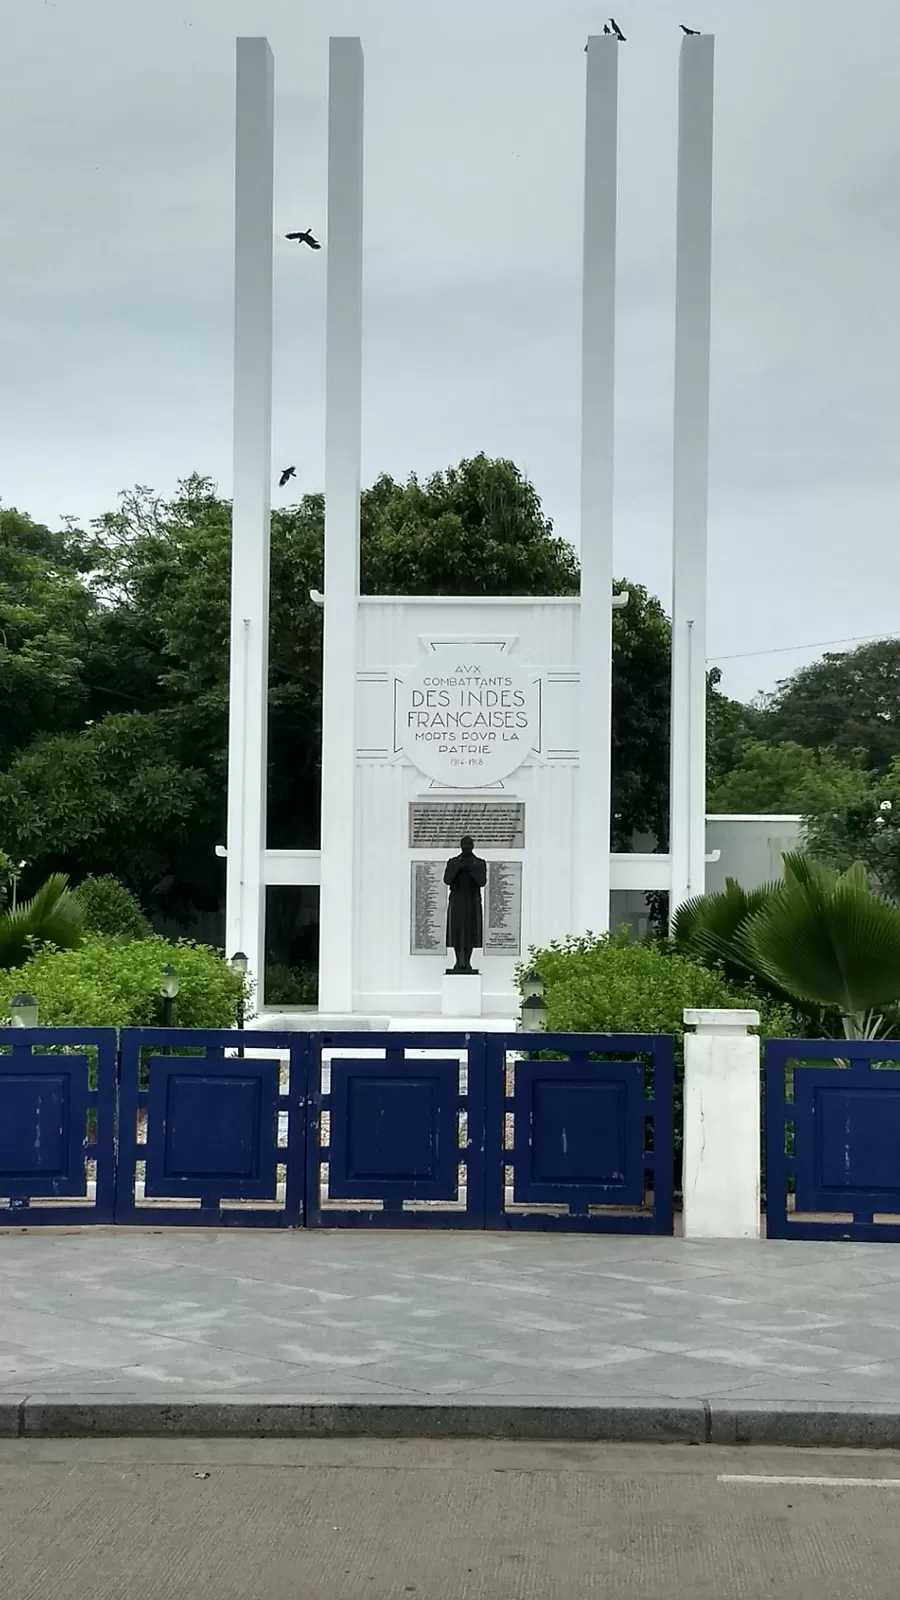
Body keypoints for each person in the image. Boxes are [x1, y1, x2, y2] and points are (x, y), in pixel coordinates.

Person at [443, 835, 487, 974]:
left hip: (472, 901)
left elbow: (482, 881)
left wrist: (471, 869)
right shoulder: (453, 862)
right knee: (456, 931)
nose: (467, 849)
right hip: (457, 901)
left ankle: (467, 961)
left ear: (472, 847)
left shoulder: (479, 863)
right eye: (464, 846)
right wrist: (458, 868)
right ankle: (458, 960)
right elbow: (447, 880)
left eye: (469, 846)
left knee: (470, 931)